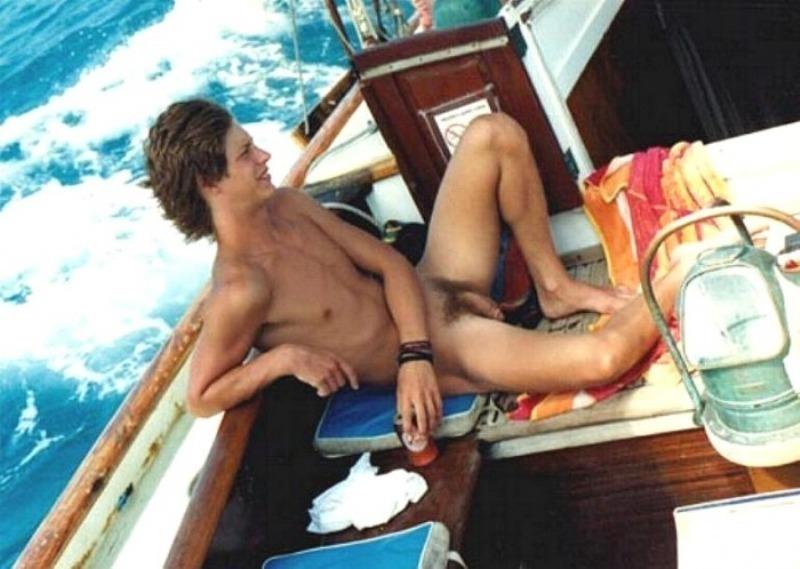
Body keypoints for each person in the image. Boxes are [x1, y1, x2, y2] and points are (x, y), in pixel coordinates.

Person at [143, 99, 688, 440]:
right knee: (602, 358)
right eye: (245, 153)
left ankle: (555, 287)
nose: (264, 155)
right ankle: (688, 268)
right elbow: (201, 396)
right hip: (452, 345)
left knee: (493, 133)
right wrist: (282, 359)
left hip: (429, 290)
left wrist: (413, 354)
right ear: (210, 184)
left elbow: (388, 264)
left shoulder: (289, 205)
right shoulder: (241, 288)